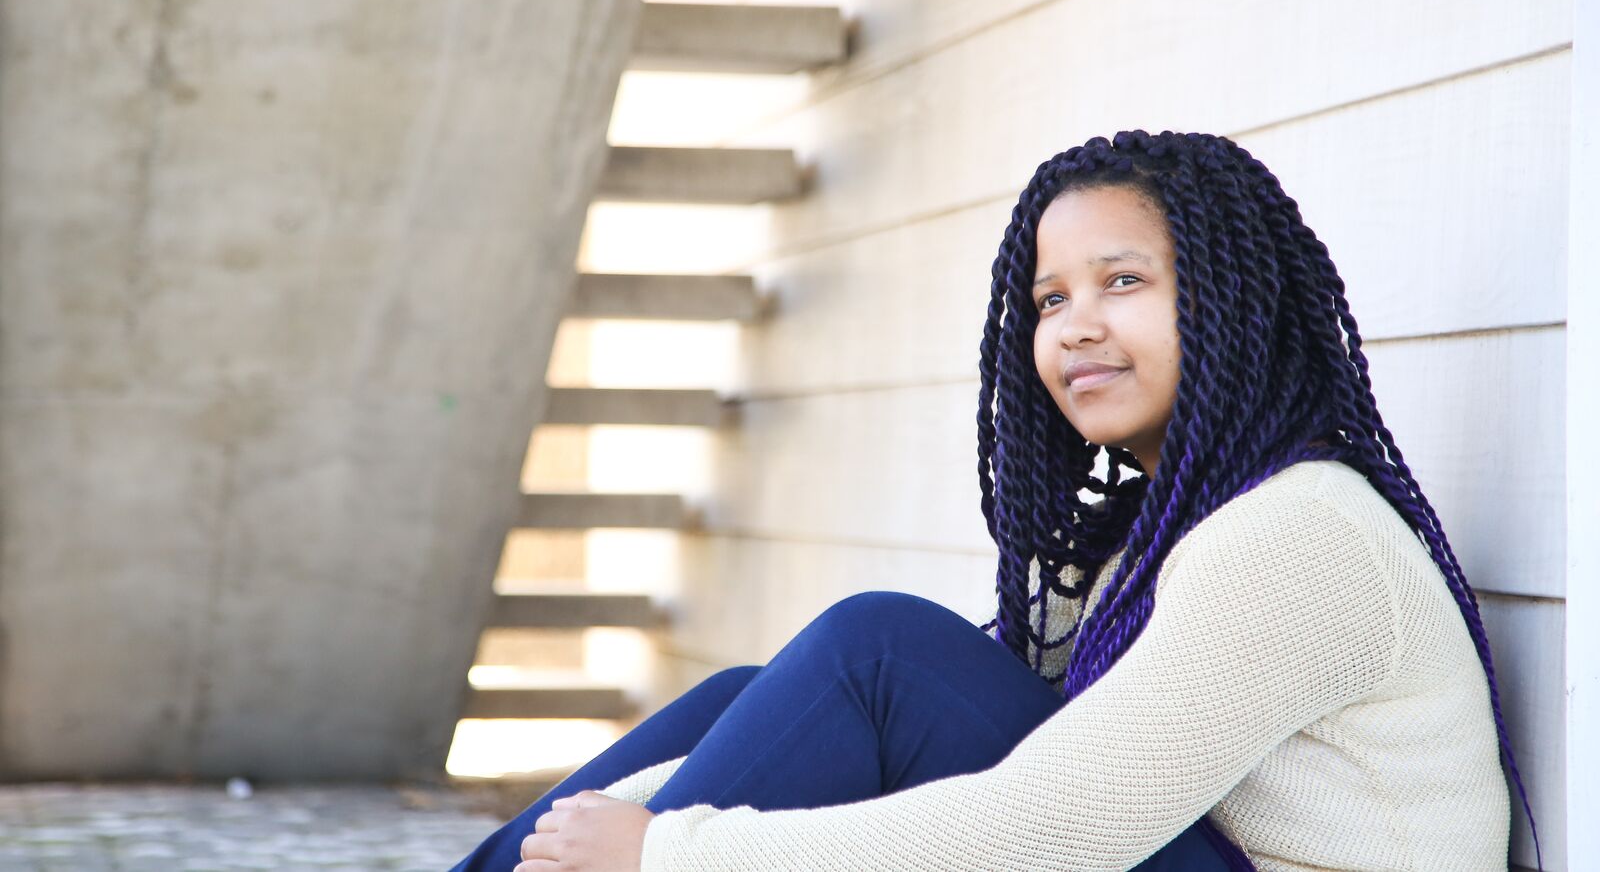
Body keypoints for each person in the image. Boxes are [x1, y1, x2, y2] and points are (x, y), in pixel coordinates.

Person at [451, 130, 1539, 871]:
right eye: (1049, 297)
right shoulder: (1168, 537)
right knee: (756, 687)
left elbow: (1056, 829)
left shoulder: (1293, 534)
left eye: (1123, 282)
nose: (1072, 327)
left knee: (879, 659)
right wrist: (619, 821)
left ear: (1236, 307)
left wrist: (667, 850)